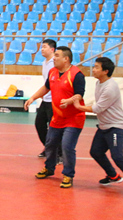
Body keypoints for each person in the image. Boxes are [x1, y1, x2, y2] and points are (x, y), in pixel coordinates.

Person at [74, 57, 123, 197]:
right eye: (94, 66)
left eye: (97, 67)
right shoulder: (99, 83)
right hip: (104, 126)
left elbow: (98, 108)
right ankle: (113, 175)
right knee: (96, 152)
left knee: (117, 157)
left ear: (105, 71)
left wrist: (78, 107)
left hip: (115, 127)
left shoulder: (110, 87)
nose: (93, 69)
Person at [24, 46, 86, 189]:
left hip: (73, 118)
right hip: (57, 117)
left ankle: (68, 175)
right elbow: (46, 88)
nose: (54, 58)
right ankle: (49, 168)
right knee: (50, 144)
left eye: (57, 55)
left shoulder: (76, 75)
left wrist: (70, 100)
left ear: (66, 59)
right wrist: (33, 97)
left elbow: (79, 94)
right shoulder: (53, 72)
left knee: (67, 146)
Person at [34, 39, 57, 158]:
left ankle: (58, 152)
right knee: (39, 124)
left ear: (52, 49)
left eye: (44, 47)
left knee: (54, 128)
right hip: (46, 99)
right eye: (41, 47)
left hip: (54, 100)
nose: (42, 49)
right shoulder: (44, 62)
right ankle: (48, 147)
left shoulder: (55, 62)